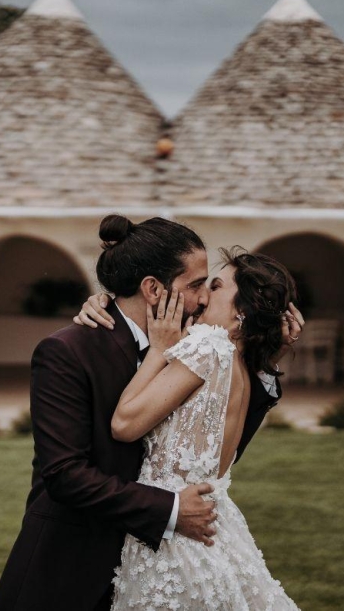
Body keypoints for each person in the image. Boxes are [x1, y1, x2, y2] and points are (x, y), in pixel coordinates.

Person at [0, 215, 303, 610]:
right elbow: (64, 474)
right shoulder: (70, 351)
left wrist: (263, 361)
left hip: (161, 565)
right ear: (153, 289)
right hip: (74, 568)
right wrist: (171, 509)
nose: (203, 297)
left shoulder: (199, 342)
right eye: (195, 285)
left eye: (209, 285)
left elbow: (210, 450)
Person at [103, 244, 303, 609]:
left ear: (242, 310)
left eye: (214, 287)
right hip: (215, 529)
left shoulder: (206, 348)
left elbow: (125, 424)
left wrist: (159, 350)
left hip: (172, 533)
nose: (200, 296)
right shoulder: (241, 365)